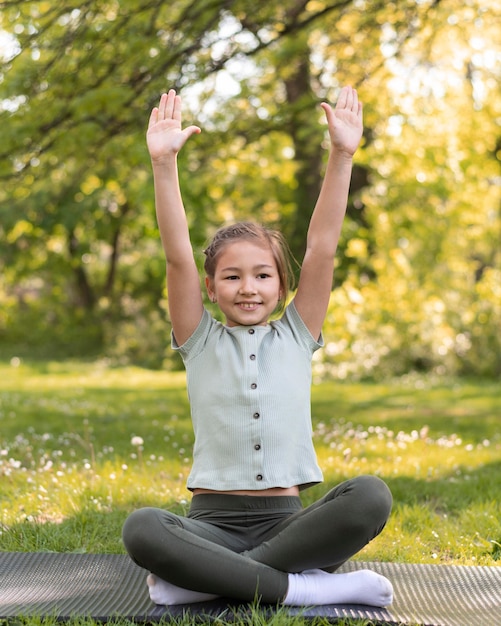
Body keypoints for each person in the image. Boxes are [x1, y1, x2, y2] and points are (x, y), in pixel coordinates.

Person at [122, 86, 393, 608]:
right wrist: (163, 165)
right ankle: (299, 589)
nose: (248, 287)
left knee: (370, 494)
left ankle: (206, 582)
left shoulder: (297, 332)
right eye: (232, 276)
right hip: (210, 527)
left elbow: (323, 246)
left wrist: (342, 155)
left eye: (262, 274)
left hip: (291, 528)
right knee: (143, 529)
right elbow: (178, 256)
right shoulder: (198, 340)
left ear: (283, 283)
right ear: (211, 288)